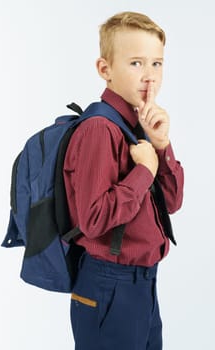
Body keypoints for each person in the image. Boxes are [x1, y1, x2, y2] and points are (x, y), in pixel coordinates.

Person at [63, 11, 184, 350]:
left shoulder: (139, 124)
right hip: (108, 284)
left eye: (157, 64)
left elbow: (171, 203)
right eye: (135, 63)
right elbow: (93, 218)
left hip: (142, 284)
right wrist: (144, 171)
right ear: (105, 70)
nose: (149, 76)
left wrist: (162, 147)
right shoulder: (99, 129)